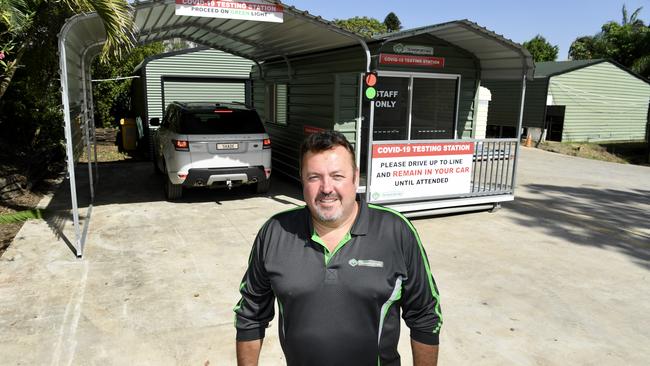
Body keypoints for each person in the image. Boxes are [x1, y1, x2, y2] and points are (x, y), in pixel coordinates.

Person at [234, 131, 442, 366]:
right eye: (314, 177)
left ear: (355, 177)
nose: (326, 188)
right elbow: (250, 316)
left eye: (337, 176)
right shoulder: (274, 232)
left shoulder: (395, 231)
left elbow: (425, 316)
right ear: (302, 179)